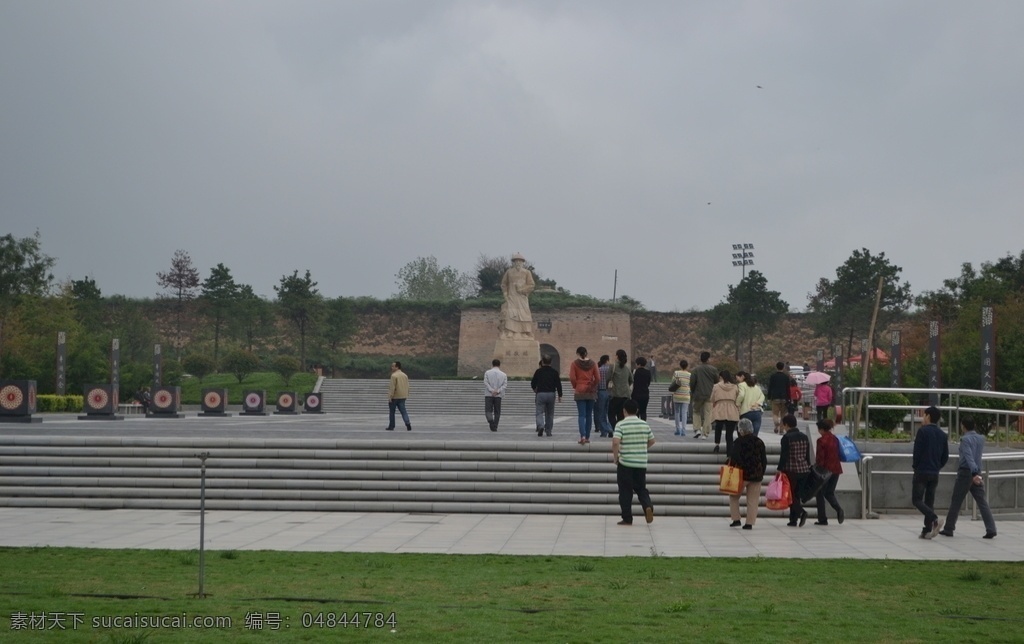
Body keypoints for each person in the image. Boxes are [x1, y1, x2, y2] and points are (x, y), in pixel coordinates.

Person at [939, 417, 996, 539]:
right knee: (982, 501)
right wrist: (977, 473)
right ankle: (991, 528)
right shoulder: (981, 438)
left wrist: (974, 473)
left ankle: (949, 528)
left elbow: (968, 456)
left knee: (956, 500)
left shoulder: (965, 439)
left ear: (963, 426)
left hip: (966, 472)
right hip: (977, 471)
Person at [612, 399, 655, 526]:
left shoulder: (621, 425)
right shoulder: (644, 424)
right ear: (637, 411)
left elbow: (615, 442)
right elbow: (652, 441)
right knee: (641, 488)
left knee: (625, 491)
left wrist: (616, 457)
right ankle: (648, 506)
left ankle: (627, 518)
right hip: (641, 463)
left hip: (625, 463)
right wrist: (642, 449)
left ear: (624, 411)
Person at [913, 405, 950, 539]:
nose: (922, 418)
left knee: (916, 499)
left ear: (928, 416)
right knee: (929, 501)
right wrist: (937, 466)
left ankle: (934, 519)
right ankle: (927, 529)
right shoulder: (942, 435)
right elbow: (945, 456)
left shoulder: (922, 432)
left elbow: (917, 452)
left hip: (922, 470)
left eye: (924, 415)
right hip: (934, 472)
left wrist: (915, 466)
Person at [728, 418, 767, 529]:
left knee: (734, 497)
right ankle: (749, 523)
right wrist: (762, 472)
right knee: (753, 500)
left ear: (740, 430)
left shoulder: (738, 442)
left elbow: (735, 457)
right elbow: (764, 460)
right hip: (756, 475)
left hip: (741, 475)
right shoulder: (759, 442)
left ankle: (736, 519)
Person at [777, 414, 811, 527]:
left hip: (791, 470)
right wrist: (808, 465)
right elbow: (807, 455)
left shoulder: (786, 438)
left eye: (783, 424)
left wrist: (779, 469)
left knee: (791, 495)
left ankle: (801, 512)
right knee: (797, 495)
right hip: (804, 470)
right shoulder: (804, 437)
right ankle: (793, 520)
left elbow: (784, 456)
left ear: (786, 424)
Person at [813, 419, 845, 526]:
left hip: (825, 471)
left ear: (821, 429)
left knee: (819, 493)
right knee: (829, 492)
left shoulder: (821, 441)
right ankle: (838, 509)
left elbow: (820, 459)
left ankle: (822, 519)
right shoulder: (835, 439)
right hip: (836, 469)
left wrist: (816, 469)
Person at [498, 253, 536, 339]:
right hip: (512, 297)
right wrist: (505, 294)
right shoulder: (509, 272)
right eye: (516, 261)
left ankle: (525, 332)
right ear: (513, 262)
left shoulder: (527, 272)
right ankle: (511, 331)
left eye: (520, 261)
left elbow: (531, 285)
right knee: (511, 314)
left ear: (523, 263)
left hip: (522, 297)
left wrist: (522, 289)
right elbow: (504, 284)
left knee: (524, 314)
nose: (518, 263)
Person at [569, 346, 600, 445]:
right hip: (590, 391)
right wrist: (593, 385)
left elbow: (572, 378)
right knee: (589, 415)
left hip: (580, 390)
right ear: (586, 353)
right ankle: (587, 437)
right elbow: (598, 378)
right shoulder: (593, 363)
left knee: (581, 415)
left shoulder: (574, 364)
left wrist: (576, 385)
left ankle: (582, 436)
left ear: (577, 353)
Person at [710, 370, 741, 455]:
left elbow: (712, 398)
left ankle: (717, 444)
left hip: (720, 408)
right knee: (729, 433)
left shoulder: (716, 386)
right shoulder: (735, 387)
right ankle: (729, 452)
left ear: (721, 377)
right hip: (732, 408)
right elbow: (738, 398)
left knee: (718, 428)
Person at [530, 354, 562, 437]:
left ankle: (540, 426)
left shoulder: (538, 371)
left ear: (542, 362)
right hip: (551, 394)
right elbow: (558, 384)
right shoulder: (554, 372)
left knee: (539, 412)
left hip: (540, 393)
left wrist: (534, 389)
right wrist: (560, 395)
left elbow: (533, 382)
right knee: (550, 413)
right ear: (551, 362)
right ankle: (548, 431)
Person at [690, 351, 718, 440]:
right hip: (709, 394)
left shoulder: (695, 370)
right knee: (708, 414)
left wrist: (693, 391)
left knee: (696, 411)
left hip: (698, 395)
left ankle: (697, 429)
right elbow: (716, 381)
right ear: (708, 359)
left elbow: (692, 382)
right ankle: (705, 434)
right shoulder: (713, 369)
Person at [607, 349, 633, 429]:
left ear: (617, 356)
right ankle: (621, 431)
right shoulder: (627, 368)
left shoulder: (613, 366)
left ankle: (616, 429)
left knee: (611, 414)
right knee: (621, 416)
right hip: (625, 395)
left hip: (615, 395)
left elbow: (607, 378)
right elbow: (631, 380)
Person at [385, 362, 411, 431]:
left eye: (393, 366)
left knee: (392, 412)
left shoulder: (394, 376)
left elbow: (392, 387)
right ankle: (407, 423)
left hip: (395, 396)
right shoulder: (405, 375)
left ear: (397, 367)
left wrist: (390, 396)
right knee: (403, 411)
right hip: (403, 396)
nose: (392, 368)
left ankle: (391, 426)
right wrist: (407, 394)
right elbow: (408, 386)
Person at [483, 358, 507, 432]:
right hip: (498, 395)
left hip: (488, 395)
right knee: (497, 411)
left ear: (492, 364)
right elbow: (504, 385)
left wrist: (491, 390)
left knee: (488, 410)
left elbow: (486, 383)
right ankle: (495, 425)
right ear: (499, 365)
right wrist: (497, 391)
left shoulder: (487, 373)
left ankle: (491, 421)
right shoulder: (503, 374)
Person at [737, 372, 765, 437]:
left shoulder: (741, 385)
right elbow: (762, 396)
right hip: (757, 412)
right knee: (754, 435)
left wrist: (737, 403)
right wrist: (757, 403)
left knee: (744, 434)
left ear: (742, 377)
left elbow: (741, 395)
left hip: (746, 411)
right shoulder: (756, 387)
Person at [767, 362, 790, 434]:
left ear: (776, 367)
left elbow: (770, 387)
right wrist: (789, 398)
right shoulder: (786, 377)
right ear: (783, 367)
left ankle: (776, 424)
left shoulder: (773, 376)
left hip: (775, 397)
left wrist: (769, 397)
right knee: (783, 415)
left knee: (775, 414)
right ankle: (781, 430)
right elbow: (788, 389)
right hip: (784, 398)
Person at [671, 360, 691, 437]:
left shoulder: (676, 373)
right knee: (684, 413)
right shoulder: (689, 375)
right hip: (686, 396)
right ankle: (683, 430)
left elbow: (673, 382)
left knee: (676, 412)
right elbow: (691, 384)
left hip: (677, 395)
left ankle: (677, 429)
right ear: (687, 366)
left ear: (680, 365)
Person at [595, 355, 614, 438]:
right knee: (609, 412)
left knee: (602, 412)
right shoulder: (611, 369)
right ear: (607, 360)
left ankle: (604, 431)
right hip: (610, 392)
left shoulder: (598, 370)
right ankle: (610, 428)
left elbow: (596, 382)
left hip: (601, 391)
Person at [630, 356, 652, 421]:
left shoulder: (634, 372)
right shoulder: (648, 372)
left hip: (636, 394)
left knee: (636, 411)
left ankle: (636, 425)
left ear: (638, 364)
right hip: (645, 394)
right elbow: (648, 383)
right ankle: (644, 424)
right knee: (643, 411)